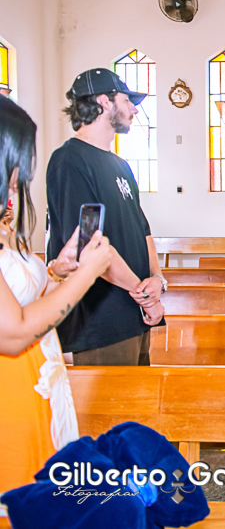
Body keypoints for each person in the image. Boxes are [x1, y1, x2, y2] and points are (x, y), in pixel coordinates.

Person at [0, 96, 113, 493]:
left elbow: (20, 292)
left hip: (38, 382)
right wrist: (89, 274)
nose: (20, 174)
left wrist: (56, 271)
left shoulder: (4, 221)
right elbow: (12, 333)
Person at [46, 68, 167, 367]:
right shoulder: (70, 160)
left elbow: (143, 231)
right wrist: (144, 294)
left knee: (140, 398)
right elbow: (89, 245)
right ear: (104, 102)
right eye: (127, 101)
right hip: (101, 321)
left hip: (135, 315)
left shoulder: (121, 165)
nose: (134, 109)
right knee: (113, 400)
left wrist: (157, 280)